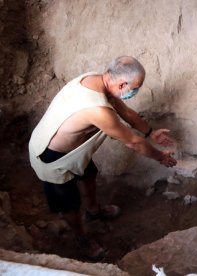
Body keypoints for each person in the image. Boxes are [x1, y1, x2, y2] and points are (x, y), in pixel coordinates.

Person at [28, 56, 177, 261]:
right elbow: (133, 142)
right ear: (122, 83)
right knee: (69, 204)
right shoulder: (98, 110)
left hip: (77, 150)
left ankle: (93, 211)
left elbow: (124, 111)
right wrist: (160, 157)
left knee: (89, 175)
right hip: (51, 157)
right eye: (135, 87)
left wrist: (150, 132)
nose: (135, 92)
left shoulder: (96, 80)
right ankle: (81, 237)